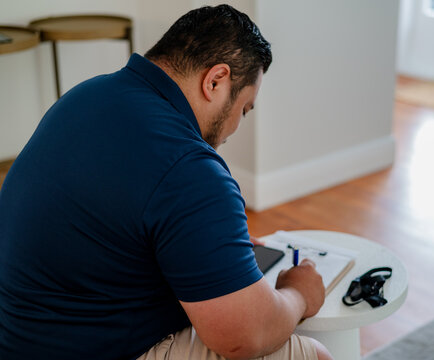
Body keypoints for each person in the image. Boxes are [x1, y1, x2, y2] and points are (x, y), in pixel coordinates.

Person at [0, 5, 333, 360]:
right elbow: (245, 336)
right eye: (245, 109)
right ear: (216, 81)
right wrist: (299, 294)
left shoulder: (86, 95)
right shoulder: (189, 166)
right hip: (87, 349)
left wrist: (199, 244)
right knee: (310, 352)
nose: (237, 126)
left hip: (20, 334)